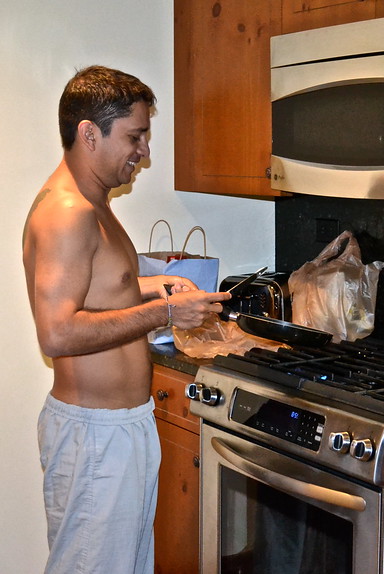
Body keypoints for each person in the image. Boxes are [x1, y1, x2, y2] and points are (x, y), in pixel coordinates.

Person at [22, 65, 231, 574]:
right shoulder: (69, 212)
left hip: (119, 431)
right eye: (135, 137)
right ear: (89, 134)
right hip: (96, 439)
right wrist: (163, 311)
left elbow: (101, 292)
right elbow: (57, 332)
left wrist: (156, 287)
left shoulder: (95, 203)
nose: (144, 153)